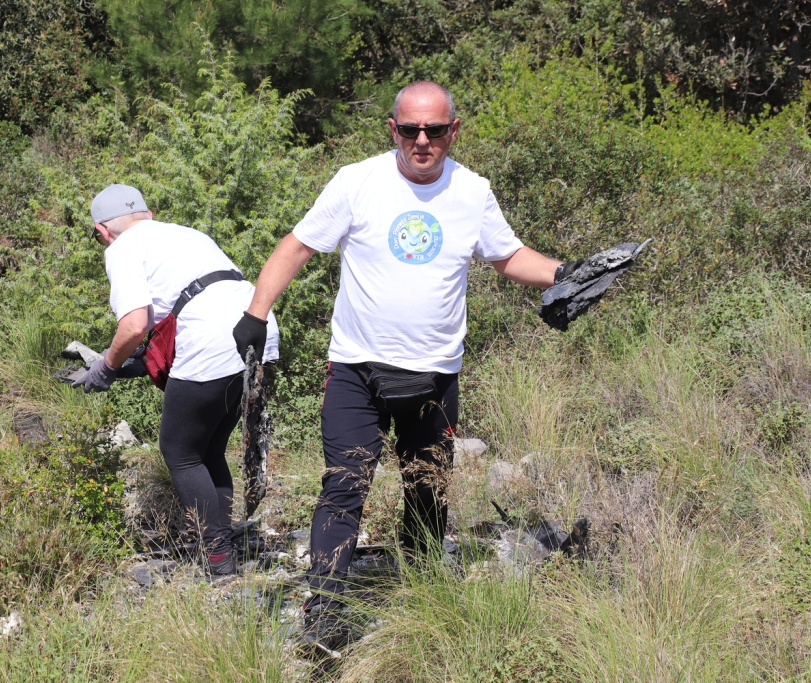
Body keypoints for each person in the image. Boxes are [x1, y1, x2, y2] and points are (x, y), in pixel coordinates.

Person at [233, 81, 582, 648]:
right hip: (356, 370)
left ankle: (424, 599)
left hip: (435, 375)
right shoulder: (357, 182)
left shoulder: (472, 191)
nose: (422, 141)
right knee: (344, 487)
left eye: (435, 130)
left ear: (453, 131)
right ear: (392, 129)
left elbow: (508, 256)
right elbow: (298, 245)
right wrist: (256, 312)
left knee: (428, 491)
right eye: (411, 129)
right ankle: (326, 613)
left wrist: (565, 274)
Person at [76, 184, 280, 575]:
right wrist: (135, 362)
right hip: (257, 328)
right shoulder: (186, 234)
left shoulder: (121, 248)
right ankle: (222, 543)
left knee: (180, 452)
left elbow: (134, 325)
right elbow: (178, 308)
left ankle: (218, 561)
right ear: (148, 215)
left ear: (102, 231)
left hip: (213, 339)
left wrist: (105, 369)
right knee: (208, 449)